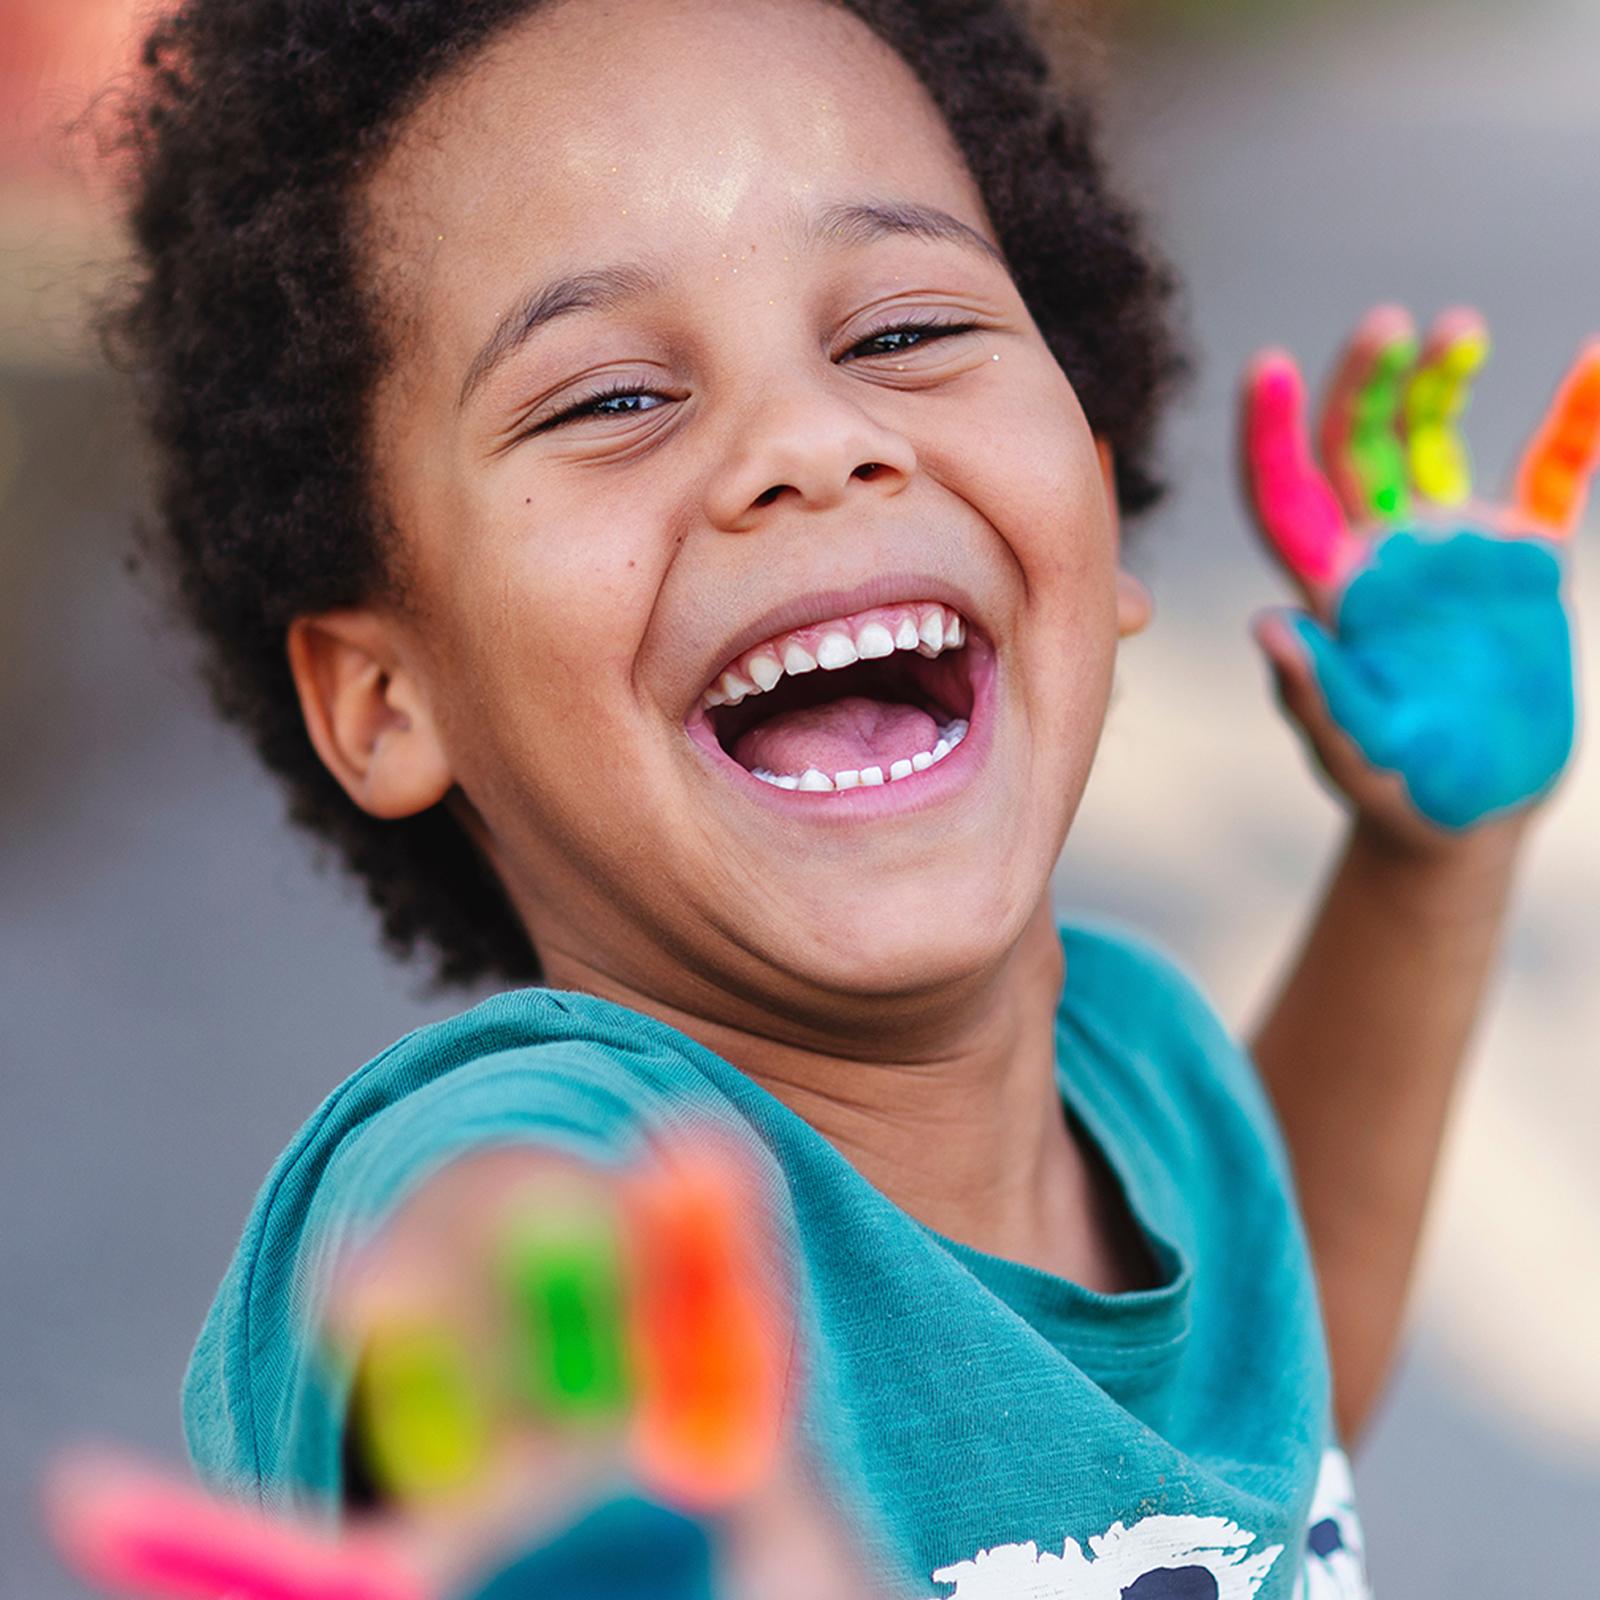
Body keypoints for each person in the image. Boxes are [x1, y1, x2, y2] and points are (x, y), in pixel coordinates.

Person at [95, 0, 1597, 1594]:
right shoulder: (540, 1148)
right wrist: (583, 1500)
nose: (813, 442)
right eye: (610, 397)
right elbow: (497, 1270)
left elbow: (1267, 1434)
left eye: (899, 334)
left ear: (1089, 502)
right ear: (390, 698)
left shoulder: (1146, 1063)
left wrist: (1431, 864)